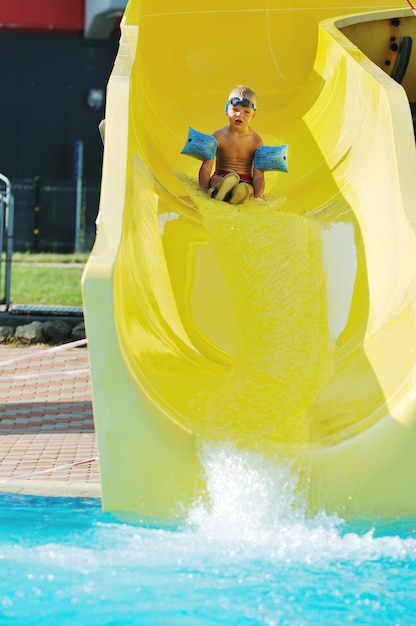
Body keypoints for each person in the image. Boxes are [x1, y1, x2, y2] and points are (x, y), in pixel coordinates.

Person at [199, 86, 265, 205]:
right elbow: (206, 167)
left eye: (246, 112)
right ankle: (220, 191)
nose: (239, 115)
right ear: (226, 110)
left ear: (253, 115)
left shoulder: (257, 141)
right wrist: (203, 189)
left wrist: (258, 196)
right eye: (235, 109)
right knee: (216, 180)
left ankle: (233, 194)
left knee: (249, 189)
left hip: (245, 181)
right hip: (222, 176)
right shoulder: (217, 137)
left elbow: (258, 176)